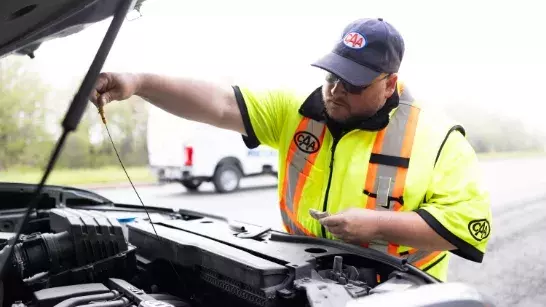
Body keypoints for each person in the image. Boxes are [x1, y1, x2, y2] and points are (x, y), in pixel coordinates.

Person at [90, 18, 492, 281]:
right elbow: (219, 103)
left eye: (354, 84)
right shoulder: (297, 111)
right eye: (333, 76)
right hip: (303, 283)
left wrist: (376, 226)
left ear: (389, 84)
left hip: (399, 292)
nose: (335, 91)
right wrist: (139, 82)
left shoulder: (438, 139)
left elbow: (467, 229)